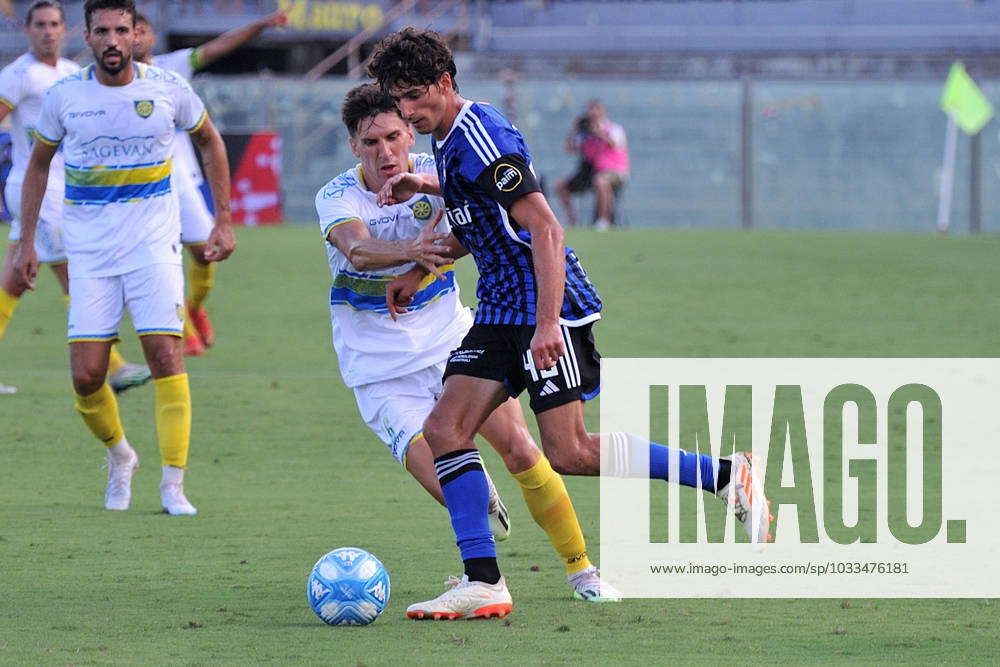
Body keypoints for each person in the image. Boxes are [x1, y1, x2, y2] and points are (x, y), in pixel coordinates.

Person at [368, 28, 771, 620]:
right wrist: (422, 269)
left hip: (543, 308)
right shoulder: (449, 140)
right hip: (502, 309)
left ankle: (725, 475)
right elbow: (482, 225)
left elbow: (546, 229)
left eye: (411, 96)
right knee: (446, 428)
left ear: (444, 81)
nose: (405, 110)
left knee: (571, 452)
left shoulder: (481, 137)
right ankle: (485, 581)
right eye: (396, 99)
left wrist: (548, 324)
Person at [314, 83, 619, 604]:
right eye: (371, 143)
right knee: (443, 477)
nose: (385, 152)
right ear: (353, 147)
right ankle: (483, 566)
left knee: (525, 449)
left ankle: (582, 571)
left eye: (394, 137)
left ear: (410, 131)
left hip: (450, 337)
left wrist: (426, 242)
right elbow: (358, 250)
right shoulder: (337, 196)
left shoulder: (435, 180)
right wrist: (413, 251)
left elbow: (478, 212)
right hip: (377, 368)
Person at [12, 0, 236, 514]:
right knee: (87, 376)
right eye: (101, 31)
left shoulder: (167, 88)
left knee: (165, 356)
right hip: (88, 252)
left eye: (122, 30)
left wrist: (222, 218)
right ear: (86, 38)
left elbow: (210, 141)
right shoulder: (64, 96)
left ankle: (173, 485)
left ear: (136, 35)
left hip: (154, 248)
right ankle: (120, 456)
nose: (112, 40)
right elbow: (38, 165)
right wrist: (26, 242)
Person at [0, 0, 152, 395]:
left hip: (63, 191)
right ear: (28, 30)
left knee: (12, 282)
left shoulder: (72, 75)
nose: (48, 31)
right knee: (77, 275)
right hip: (36, 191)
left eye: (54, 24)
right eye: (40, 24)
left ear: (67, 30)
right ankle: (115, 367)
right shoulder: (18, 75)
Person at [132, 8, 287, 357]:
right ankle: (183, 331)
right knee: (160, 258)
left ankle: (194, 306)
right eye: (130, 30)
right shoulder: (110, 82)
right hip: (140, 187)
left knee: (206, 253)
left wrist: (259, 25)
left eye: (141, 30)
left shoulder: (172, 68)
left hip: (181, 181)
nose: (135, 37)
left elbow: (218, 47)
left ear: (151, 37)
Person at [555, 100, 629, 231]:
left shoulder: (613, 128)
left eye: (595, 111)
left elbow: (615, 144)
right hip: (590, 172)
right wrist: (574, 130)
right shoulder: (584, 132)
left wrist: (599, 133)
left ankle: (603, 221)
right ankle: (572, 221)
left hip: (614, 171)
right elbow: (570, 149)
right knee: (561, 186)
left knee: (601, 181)